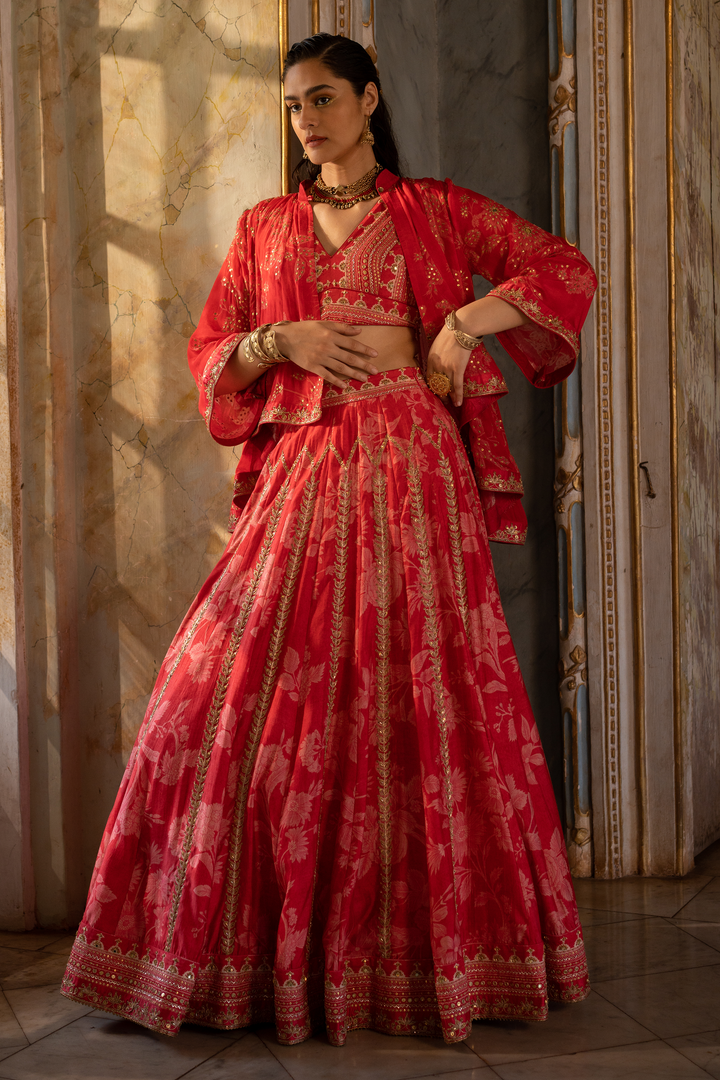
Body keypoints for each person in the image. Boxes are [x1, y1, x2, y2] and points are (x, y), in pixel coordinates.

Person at [62, 33, 597, 1047]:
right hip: (308, 463)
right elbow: (211, 350)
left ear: (369, 99)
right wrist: (283, 340)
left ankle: (428, 958)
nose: (307, 119)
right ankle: (233, 952)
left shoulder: (433, 209)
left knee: (424, 687)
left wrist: (463, 326)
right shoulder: (266, 227)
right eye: (294, 104)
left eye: (323, 98)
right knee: (231, 674)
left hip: (414, 464)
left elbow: (561, 268)